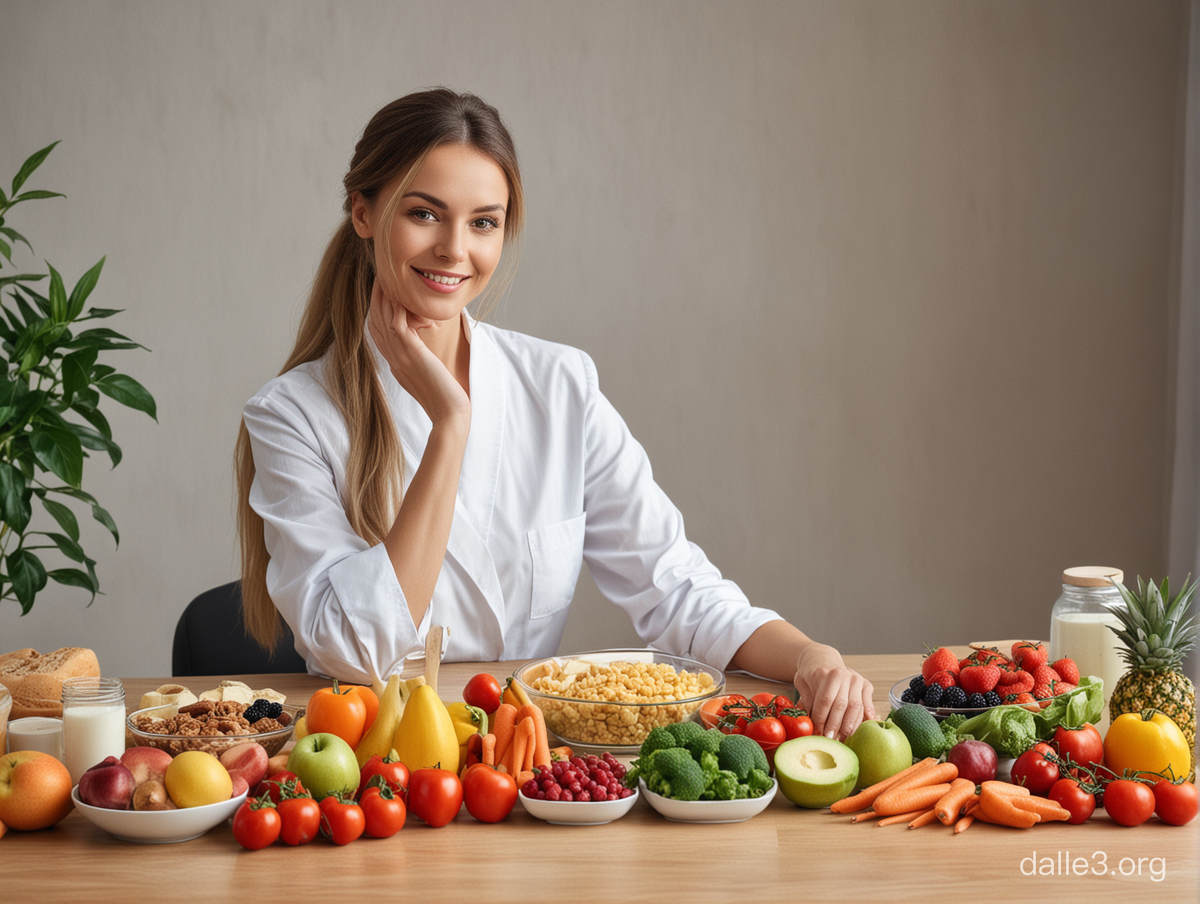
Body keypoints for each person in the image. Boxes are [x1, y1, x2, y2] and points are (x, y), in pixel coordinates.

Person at [236, 88, 875, 740]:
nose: (456, 249)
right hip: (377, 763)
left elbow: (673, 586)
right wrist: (450, 426)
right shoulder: (291, 416)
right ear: (364, 214)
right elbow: (359, 648)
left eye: (484, 222)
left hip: (527, 757)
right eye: (426, 214)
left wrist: (810, 658)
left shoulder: (560, 384)